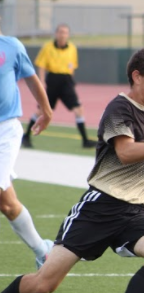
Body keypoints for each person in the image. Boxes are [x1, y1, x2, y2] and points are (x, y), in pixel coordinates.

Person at [0, 46, 144, 293]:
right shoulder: (119, 108)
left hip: (132, 212)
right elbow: (126, 153)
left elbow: (140, 166)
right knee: (44, 284)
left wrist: (143, 194)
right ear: (137, 76)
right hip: (98, 209)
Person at [0, 19, 55, 270]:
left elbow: (32, 78)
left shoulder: (11, 46)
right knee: (7, 204)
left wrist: (46, 110)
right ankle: (43, 251)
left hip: (5, 132)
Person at [22, 23, 96, 149]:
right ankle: (26, 136)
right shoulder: (48, 47)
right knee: (41, 111)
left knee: (79, 109)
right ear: (56, 34)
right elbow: (41, 65)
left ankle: (85, 140)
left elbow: (72, 66)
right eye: (60, 32)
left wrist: (70, 82)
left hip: (66, 82)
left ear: (68, 35)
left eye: (65, 32)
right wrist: (42, 81)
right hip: (53, 81)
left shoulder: (72, 48)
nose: (62, 35)